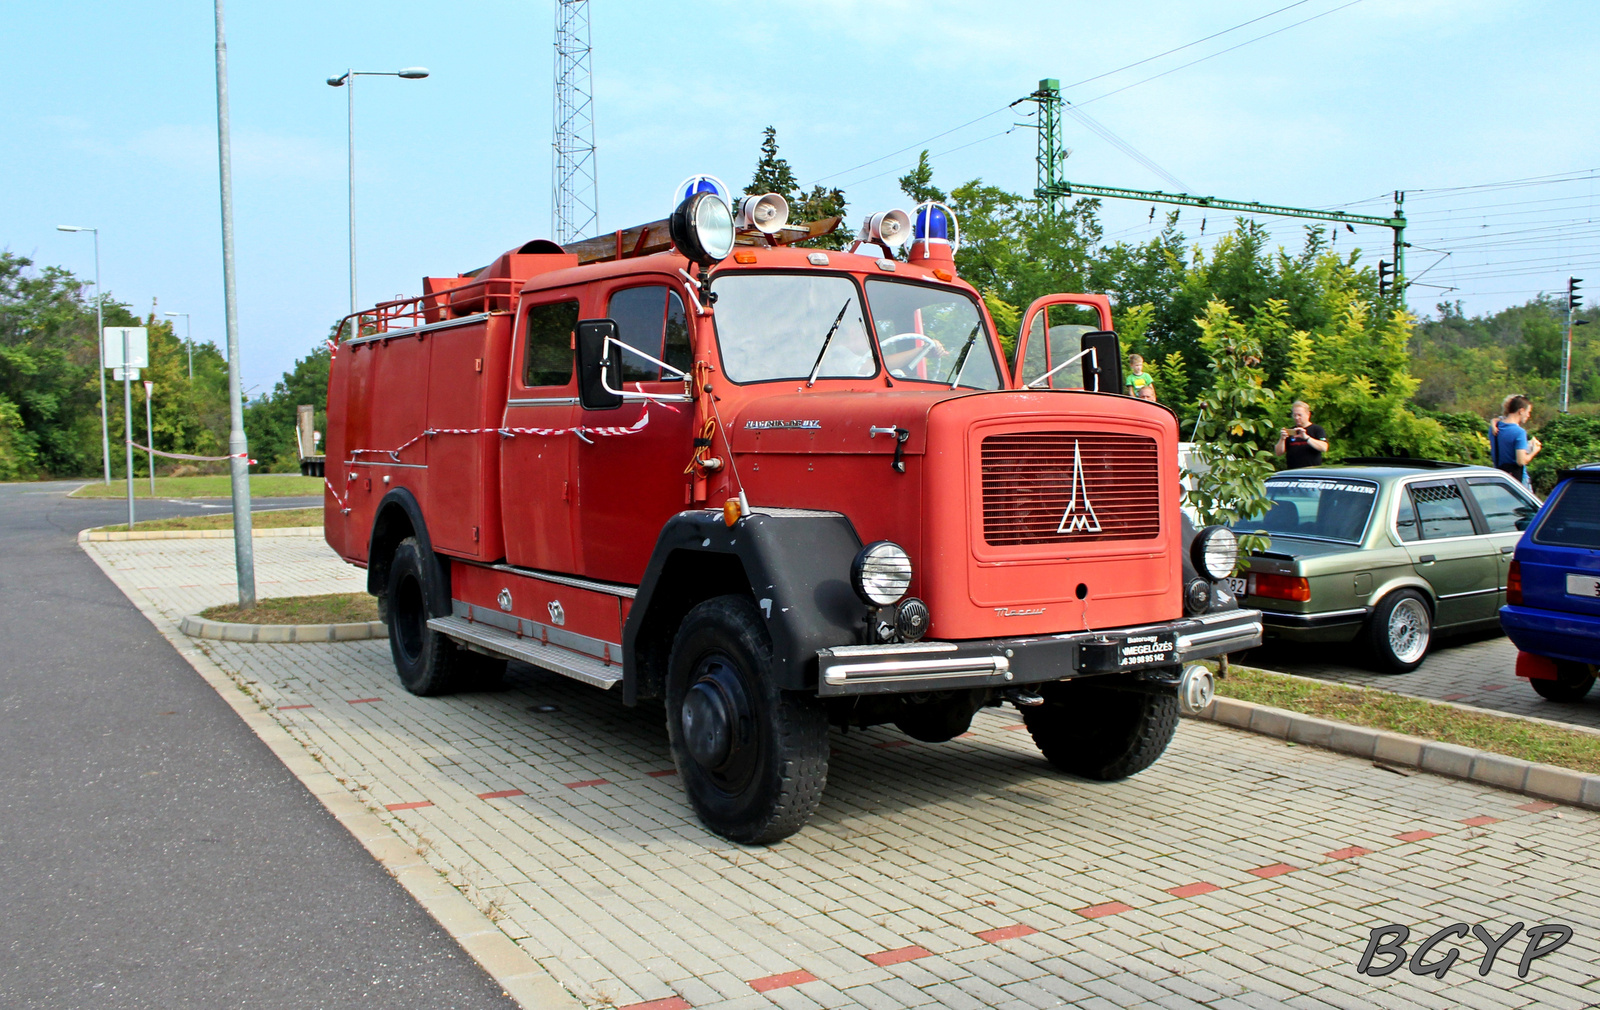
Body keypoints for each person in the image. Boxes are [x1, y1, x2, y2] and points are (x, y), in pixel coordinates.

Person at [1490, 394, 1541, 490]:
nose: (1528, 415)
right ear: (1521, 411)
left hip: (1500, 478)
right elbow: (1521, 461)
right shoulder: (1519, 432)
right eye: (1528, 412)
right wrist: (1534, 451)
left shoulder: (1495, 428)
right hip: (1518, 479)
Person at [1274, 400, 1329, 469]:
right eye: (1295, 415)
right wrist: (1282, 438)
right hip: (1294, 471)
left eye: (1300, 415)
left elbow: (1324, 447)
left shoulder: (1317, 429)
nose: (1297, 418)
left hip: (1312, 471)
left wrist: (1307, 438)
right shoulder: (1291, 431)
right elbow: (1278, 453)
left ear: (1308, 414)